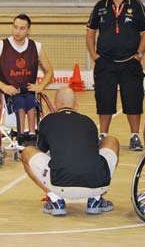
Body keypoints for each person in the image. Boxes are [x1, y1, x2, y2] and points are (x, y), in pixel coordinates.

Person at [21, 88, 119, 216]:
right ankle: (95, 199)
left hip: (61, 184)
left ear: (55, 105)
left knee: (27, 151)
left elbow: (42, 151)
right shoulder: (89, 122)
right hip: (96, 184)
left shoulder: (47, 121)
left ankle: (55, 200)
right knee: (111, 140)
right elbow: (94, 151)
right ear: (76, 106)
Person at [86, 0, 145, 151]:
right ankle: (103, 135)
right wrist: (94, 55)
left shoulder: (136, 5)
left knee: (133, 100)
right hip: (105, 62)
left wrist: (139, 54)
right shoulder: (100, 6)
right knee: (104, 99)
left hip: (130, 62)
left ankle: (134, 136)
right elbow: (90, 32)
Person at [0, 14, 54, 145]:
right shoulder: (1, 46)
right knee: (20, 104)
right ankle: (21, 134)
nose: (17, 31)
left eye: (22, 28)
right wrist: (3, 87)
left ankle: (32, 134)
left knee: (32, 103)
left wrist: (40, 86)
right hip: (10, 92)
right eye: (15, 27)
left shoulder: (36, 47)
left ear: (28, 30)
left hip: (28, 91)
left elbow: (49, 71)